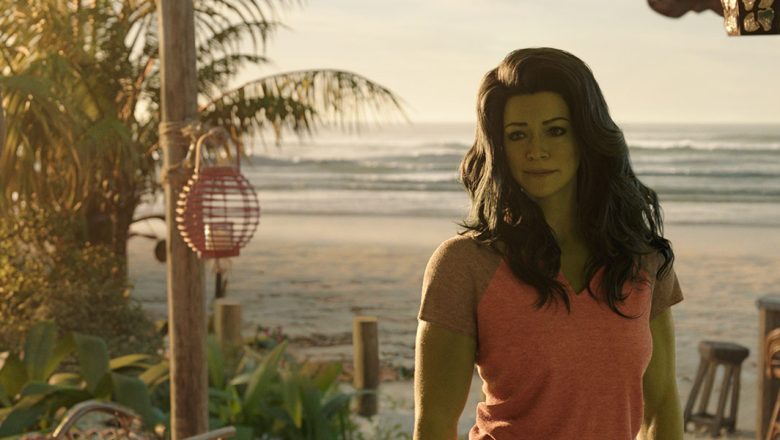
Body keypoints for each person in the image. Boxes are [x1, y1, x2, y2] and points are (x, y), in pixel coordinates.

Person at [413, 48, 684, 439]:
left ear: (586, 136)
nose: (535, 150)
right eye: (517, 134)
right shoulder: (465, 264)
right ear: (499, 147)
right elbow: (434, 423)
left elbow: (660, 408)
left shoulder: (642, 260)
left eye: (555, 130)